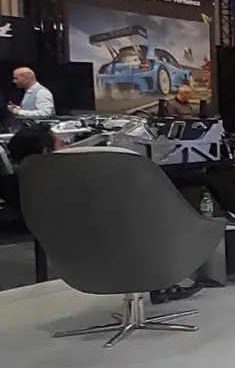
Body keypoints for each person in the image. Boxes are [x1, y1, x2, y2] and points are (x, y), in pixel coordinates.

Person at [4, 125, 202, 302]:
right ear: (46, 152)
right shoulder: (73, 179)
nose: (68, 148)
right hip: (113, 241)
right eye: (62, 144)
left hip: (75, 252)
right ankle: (164, 283)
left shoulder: (25, 185)